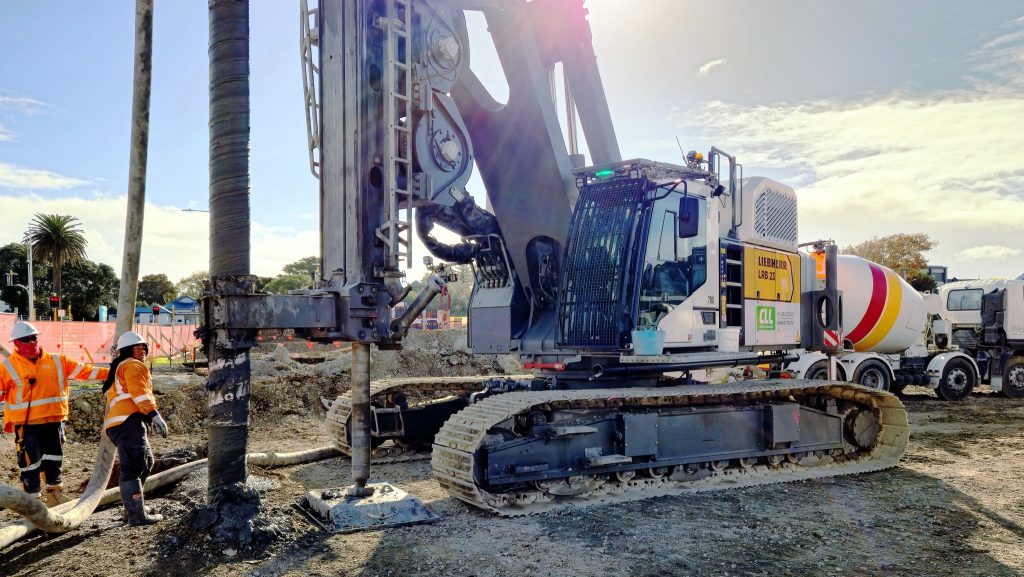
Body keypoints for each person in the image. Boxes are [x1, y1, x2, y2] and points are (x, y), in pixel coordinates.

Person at [0, 321, 110, 506]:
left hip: (54, 420)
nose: (31, 341)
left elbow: (86, 371)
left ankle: (54, 495)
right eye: (25, 339)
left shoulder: (57, 360)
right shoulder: (8, 367)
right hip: (27, 424)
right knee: (29, 462)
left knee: (54, 458)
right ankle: (32, 501)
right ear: (16, 343)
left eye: (33, 337)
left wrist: (114, 372)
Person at [102, 331, 168, 526]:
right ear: (128, 351)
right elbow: (138, 392)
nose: (143, 351)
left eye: (143, 347)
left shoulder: (122, 366)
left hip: (124, 423)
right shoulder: (132, 365)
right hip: (128, 421)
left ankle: (133, 508)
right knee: (132, 467)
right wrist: (154, 415)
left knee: (146, 462)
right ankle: (136, 516)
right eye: (138, 347)